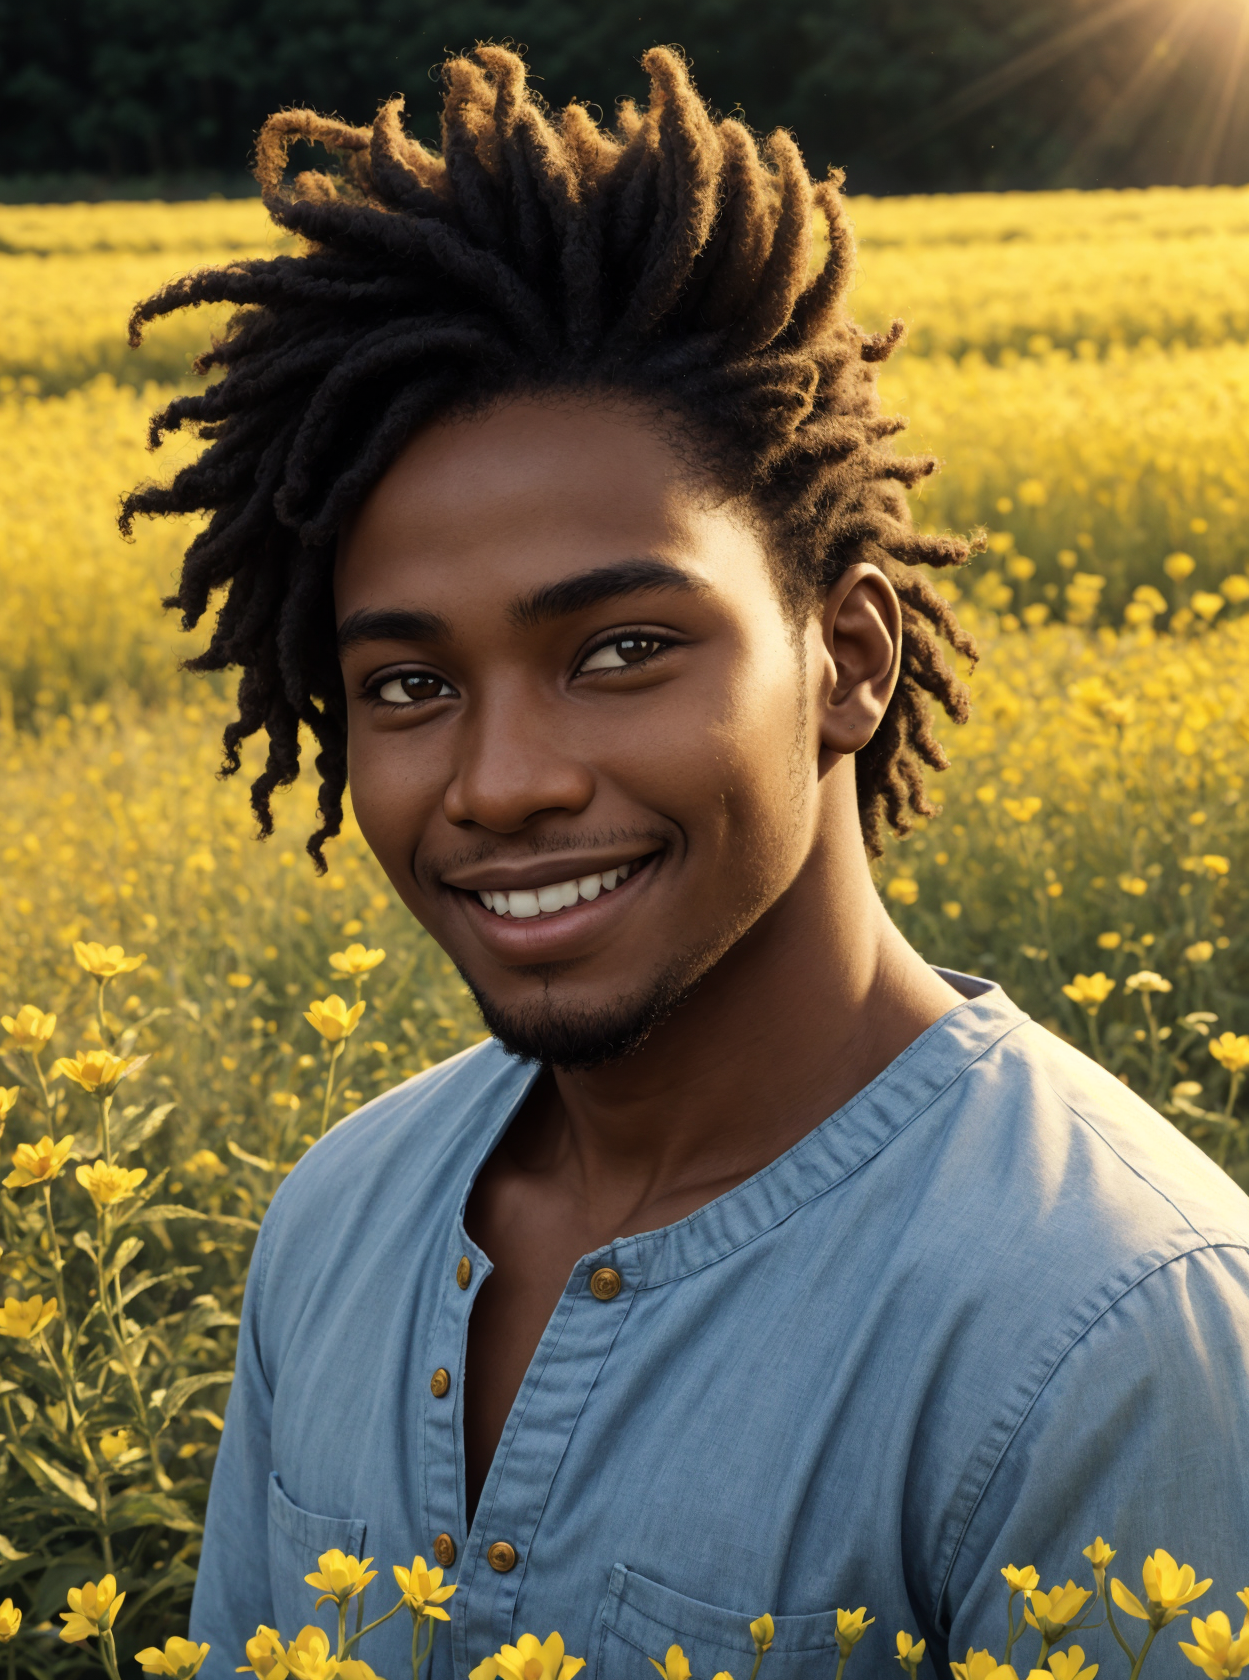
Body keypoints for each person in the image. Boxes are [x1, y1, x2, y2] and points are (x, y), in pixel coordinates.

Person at [124, 46, 1249, 1680]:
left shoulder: (1120, 1337)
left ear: (850, 659)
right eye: (409, 688)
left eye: (625, 647)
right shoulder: (336, 1225)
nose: (499, 785)